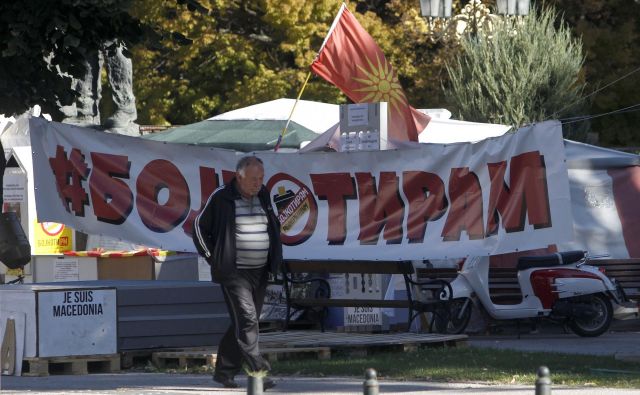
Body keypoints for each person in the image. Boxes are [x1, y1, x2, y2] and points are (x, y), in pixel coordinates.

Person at [193, 156, 282, 390]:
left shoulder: (264, 195)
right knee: (247, 319)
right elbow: (198, 228)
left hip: (260, 271)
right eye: (253, 179)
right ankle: (259, 370)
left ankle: (224, 371)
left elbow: (272, 226)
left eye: (261, 178)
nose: (258, 183)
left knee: (243, 323)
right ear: (239, 176)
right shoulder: (222, 197)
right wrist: (214, 258)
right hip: (234, 272)